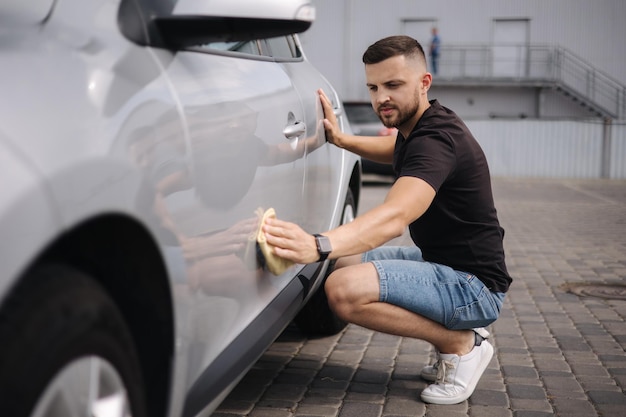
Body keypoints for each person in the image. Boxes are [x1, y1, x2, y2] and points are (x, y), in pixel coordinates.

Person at [261, 35, 512, 405]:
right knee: (343, 262)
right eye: (374, 87)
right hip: (446, 265)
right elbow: (393, 149)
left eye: (394, 85)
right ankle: (456, 340)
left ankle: (461, 343)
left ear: (424, 83)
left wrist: (317, 245)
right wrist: (341, 140)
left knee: (342, 290)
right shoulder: (421, 128)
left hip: (473, 287)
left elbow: (394, 217)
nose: (381, 98)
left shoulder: (435, 140)